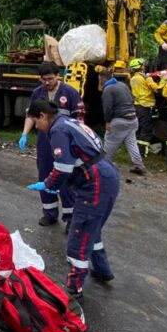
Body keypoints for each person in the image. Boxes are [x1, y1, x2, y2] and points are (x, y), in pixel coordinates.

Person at [25, 99, 120, 301]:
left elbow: (63, 168)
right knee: (91, 228)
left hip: (95, 182)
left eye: (35, 122)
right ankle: (103, 270)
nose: (37, 128)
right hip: (106, 174)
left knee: (79, 234)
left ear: (42, 116)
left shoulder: (58, 131)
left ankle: (73, 288)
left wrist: (49, 185)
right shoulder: (68, 121)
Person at [19, 62, 84, 226]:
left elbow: (80, 120)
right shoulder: (38, 93)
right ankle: (49, 212)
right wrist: (24, 134)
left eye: (50, 79)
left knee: (65, 178)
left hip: (65, 142)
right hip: (44, 142)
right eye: (44, 80)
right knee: (45, 175)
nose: (47, 82)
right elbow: (31, 116)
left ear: (58, 76)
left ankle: (71, 218)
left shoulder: (70, 93)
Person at [99, 62, 146, 175]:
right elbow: (131, 98)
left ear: (102, 78)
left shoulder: (108, 89)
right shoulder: (122, 85)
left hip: (119, 120)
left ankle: (103, 166)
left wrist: (108, 121)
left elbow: (107, 108)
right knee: (131, 143)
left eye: (99, 79)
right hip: (133, 119)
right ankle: (139, 165)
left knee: (110, 143)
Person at [129, 58, 161, 156]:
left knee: (138, 129)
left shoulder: (133, 78)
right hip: (146, 106)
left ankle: (134, 151)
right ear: (141, 67)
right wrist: (163, 78)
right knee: (146, 130)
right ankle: (141, 152)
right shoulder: (146, 78)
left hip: (137, 105)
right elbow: (157, 89)